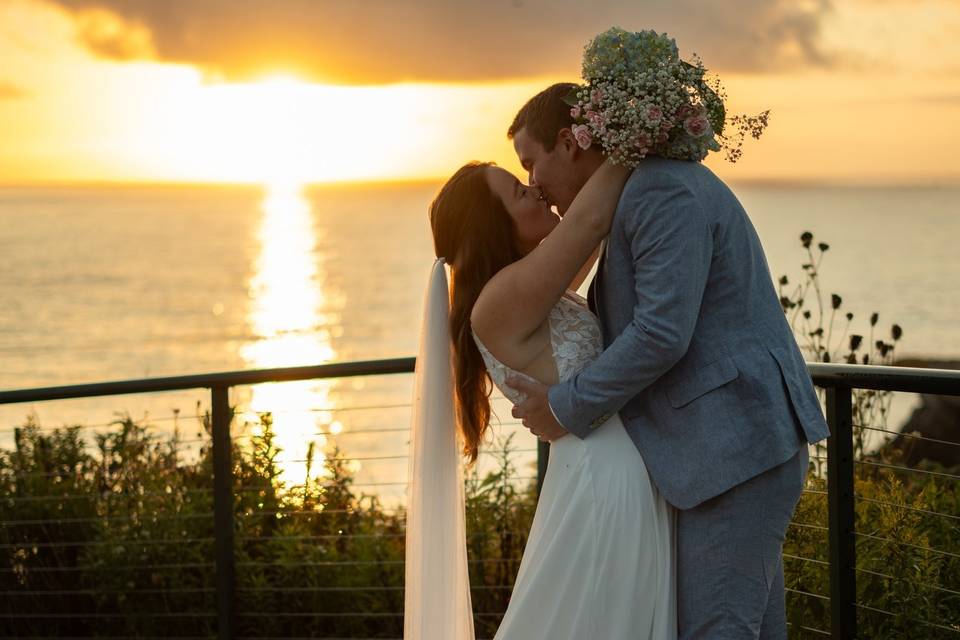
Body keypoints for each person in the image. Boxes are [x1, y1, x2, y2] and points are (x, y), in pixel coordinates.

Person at [507, 81, 830, 639]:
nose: (534, 184)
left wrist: (565, 407)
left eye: (530, 163)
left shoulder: (660, 192)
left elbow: (660, 333)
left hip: (735, 449)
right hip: (724, 450)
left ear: (570, 142)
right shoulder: (638, 194)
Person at [421, 155, 677, 639]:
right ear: (494, 228)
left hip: (607, 465)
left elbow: (590, 229)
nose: (536, 190)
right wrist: (634, 134)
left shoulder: (531, 289)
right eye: (520, 191)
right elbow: (590, 218)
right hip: (604, 474)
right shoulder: (499, 300)